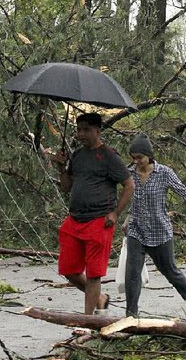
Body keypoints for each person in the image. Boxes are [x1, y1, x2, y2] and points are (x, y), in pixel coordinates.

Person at [53, 113, 135, 315]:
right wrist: (61, 167)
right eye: (79, 129)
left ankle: (87, 322)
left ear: (98, 131)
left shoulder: (109, 156)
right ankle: (99, 298)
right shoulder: (78, 156)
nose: (81, 134)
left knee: (93, 274)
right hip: (75, 219)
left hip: (99, 221)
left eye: (86, 129)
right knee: (69, 270)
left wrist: (116, 213)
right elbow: (66, 187)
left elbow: (129, 185)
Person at [124, 133, 186, 318]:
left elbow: (182, 190)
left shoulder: (164, 173)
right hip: (136, 230)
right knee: (132, 273)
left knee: (169, 270)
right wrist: (126, 218)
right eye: (133, 158)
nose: (136, 161)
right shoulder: (129, 173)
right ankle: (131, 315)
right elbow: (131, 198)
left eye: (140, 157)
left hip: (159, 231)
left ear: (149, 156)